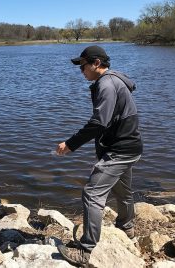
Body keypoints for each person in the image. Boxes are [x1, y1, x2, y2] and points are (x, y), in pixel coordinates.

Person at [56, 46, 143, 267]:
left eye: (83, 65)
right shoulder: (113, 80)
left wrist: (71, 144)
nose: (81, 70)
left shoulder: (107, 84)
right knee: (123, 191)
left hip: (120, 150)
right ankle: (127, 228)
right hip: (130, 148)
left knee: (92, 193)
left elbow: (99, 122)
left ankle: (86, 252)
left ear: (96, 63)